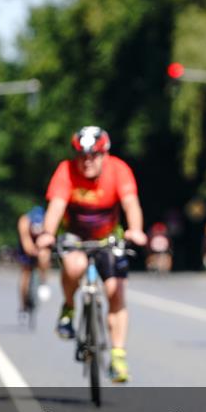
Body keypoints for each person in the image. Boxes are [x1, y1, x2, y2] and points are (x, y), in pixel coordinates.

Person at [35, 126, 147, 383]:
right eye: (82, 155)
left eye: (94, 155)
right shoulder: (66, 170)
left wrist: (136, 230)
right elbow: (56, 206)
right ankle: (69, 306)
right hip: (75, 235)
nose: (87, 161)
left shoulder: (119, 170)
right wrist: (47, 233)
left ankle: (117, 356)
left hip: (108, 237)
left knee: (115, 291)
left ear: (104, 154)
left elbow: (131, 203)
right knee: (73, 267)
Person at [16, 206, 51, 310]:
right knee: (25, 272)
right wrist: (32, 250)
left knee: (44, 256)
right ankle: (23, 302)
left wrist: (41, 253)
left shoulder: (47, 220)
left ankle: (43, 280)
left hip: (40, 243)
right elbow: (26, 242)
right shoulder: (24, 221)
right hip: (26, 244)